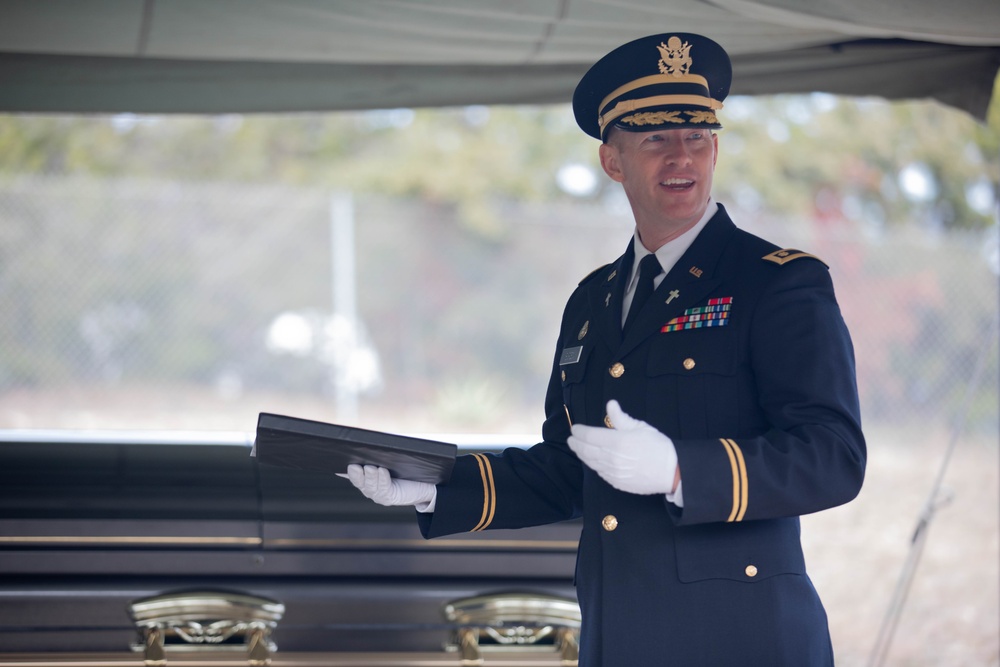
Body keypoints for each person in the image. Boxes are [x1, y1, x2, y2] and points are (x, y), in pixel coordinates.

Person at [345, 32, 866, 666]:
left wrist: (680, 471)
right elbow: (569, 468)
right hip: (619, 634)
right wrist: (431, 488)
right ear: (612, 161)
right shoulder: (593, 300)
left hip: (742, 638)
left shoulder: (776, 281)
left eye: (697, 136)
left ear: (716, 147)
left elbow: (834, 456)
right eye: (655, 139)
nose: (682, 156)